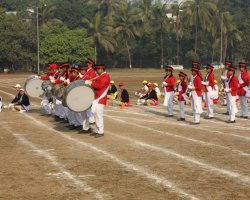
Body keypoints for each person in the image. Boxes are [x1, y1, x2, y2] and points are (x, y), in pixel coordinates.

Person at [86, 64, 110, 137]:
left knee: (99, 116)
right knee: (96, 115)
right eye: (96, 70)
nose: (96, 71)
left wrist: (91, 83)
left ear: (101, 69)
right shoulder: (101, 76)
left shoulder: (105, 76)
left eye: (97, 70)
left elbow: (100, 86)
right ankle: (97, 130)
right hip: (97, 98)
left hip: (100, 98)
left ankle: (101, 131)